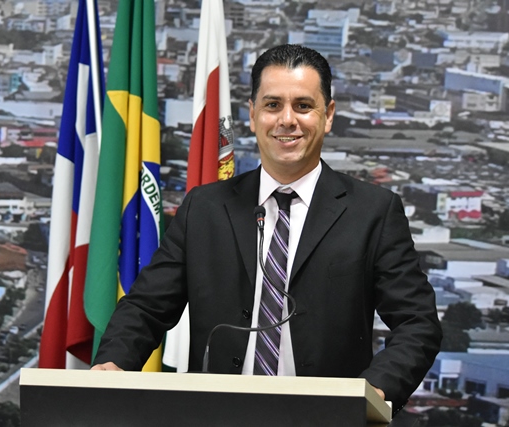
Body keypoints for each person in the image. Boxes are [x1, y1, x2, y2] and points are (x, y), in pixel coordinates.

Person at [92, 44, 442, 414]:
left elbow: (417, 323)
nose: (287, 120)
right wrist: (113, 363)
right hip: (216, 416)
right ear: (253, 114)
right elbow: (147, 307)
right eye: (273, 105)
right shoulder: (204, 208)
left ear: (328, 115)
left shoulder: (373, 212)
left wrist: (372, 392)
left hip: (327, 419)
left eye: (303, 106)